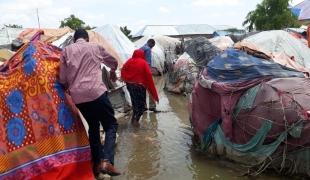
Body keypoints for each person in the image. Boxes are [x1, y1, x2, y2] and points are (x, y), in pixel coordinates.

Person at [59, 28, 120, 177]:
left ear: (74, 40)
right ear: (86, 38)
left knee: (93, 127)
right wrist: (112, 71)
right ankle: (107, 161)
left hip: (78, 98)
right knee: (111, 125)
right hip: (96, 93)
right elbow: (113, 61)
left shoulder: (66, 51)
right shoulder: (95, 47)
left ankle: (97, 164)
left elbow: (62, 79)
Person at [121, 49, 159, 127]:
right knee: (141, 105)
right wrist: (151, 89)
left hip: (130, 86)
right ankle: (136, 121)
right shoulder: (143, 63)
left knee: (134, 102)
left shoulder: (129, 61)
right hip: (139, 87)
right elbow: (148, 76)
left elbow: (123, 70)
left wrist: (126, 79)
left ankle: (133, 118)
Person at [140, 39, 158, 112]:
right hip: (145, 72)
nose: (152, 48)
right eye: (152, 46)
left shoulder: (141, 48)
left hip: (139, 72)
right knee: (151, 89)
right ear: (151, 43)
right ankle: (152, 106)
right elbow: (147, 63)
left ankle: (143, 106)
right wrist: (150, 72)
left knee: (142, 89)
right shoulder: (148, 49)